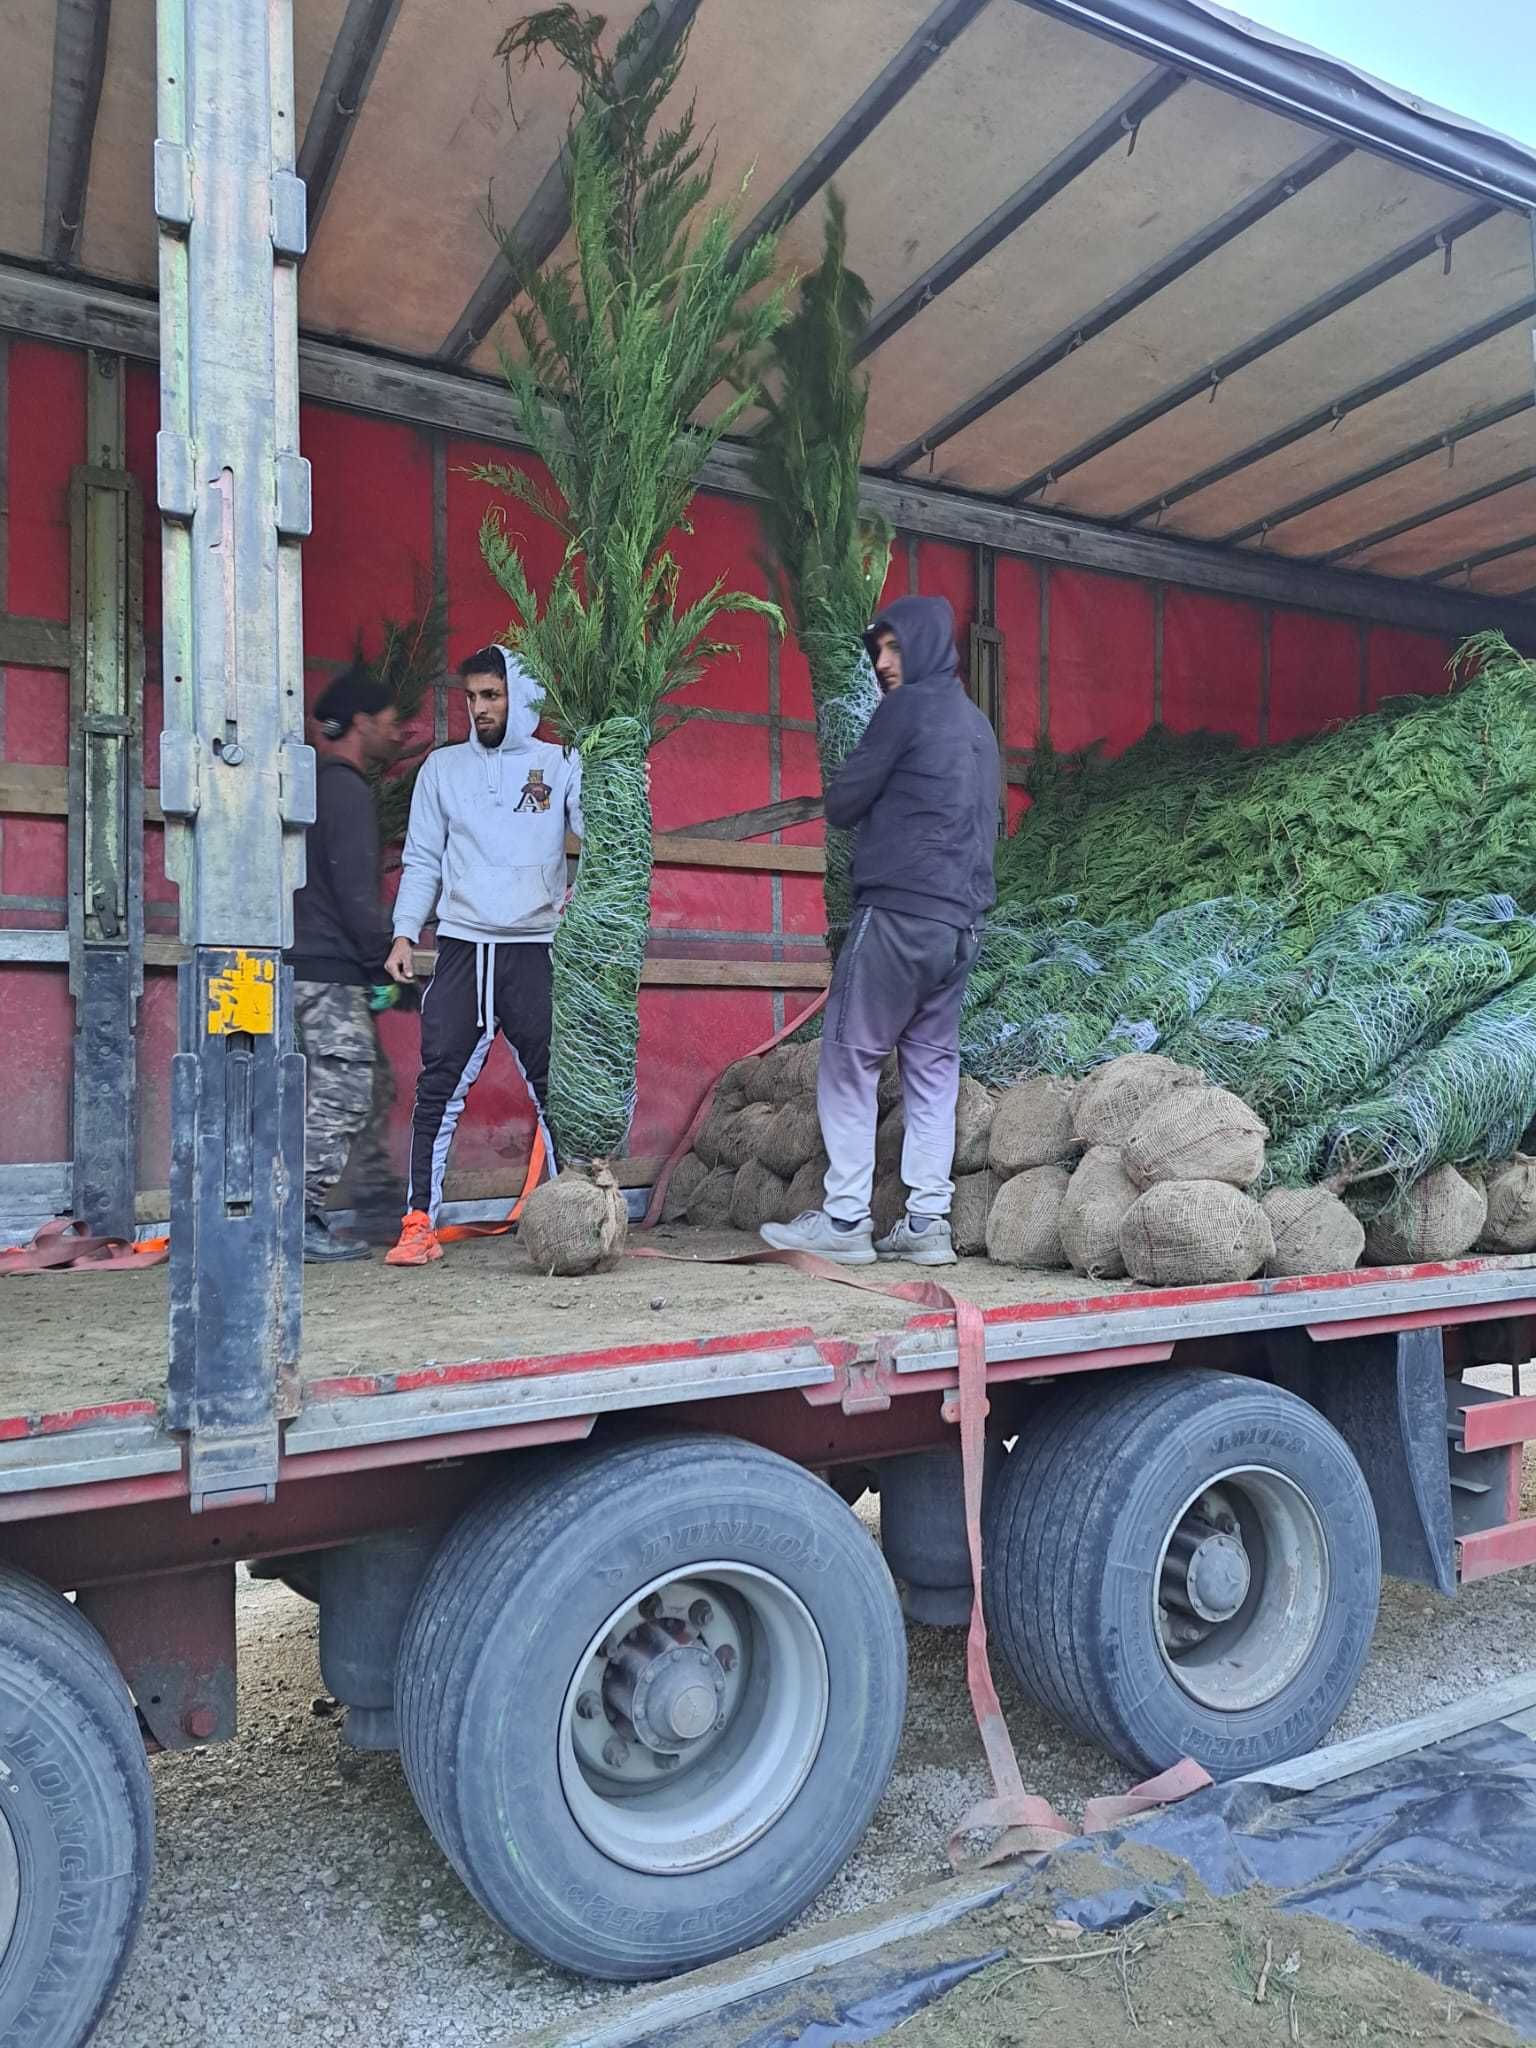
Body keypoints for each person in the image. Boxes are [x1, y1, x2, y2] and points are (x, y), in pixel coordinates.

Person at [761, 594, 1001, 1267]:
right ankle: (928, 1222)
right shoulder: (978, 727)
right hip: (961, 927)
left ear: (923, 645)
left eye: (894, 647)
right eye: (878, 650)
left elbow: (843, 802)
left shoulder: (905, 709)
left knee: (849, 1055)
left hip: (898, 913)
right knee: (931, 1069)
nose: (884, 661)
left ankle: (843, 1221)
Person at [383, 645, 583, 1266]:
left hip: (536, 951)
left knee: (557, 1092)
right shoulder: (443, 770)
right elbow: (421, 859)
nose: (479, 709)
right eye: (471, 697)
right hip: (463, 947)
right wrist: (404, 930)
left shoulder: (563, 762)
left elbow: (599, 838)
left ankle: (576, 1224)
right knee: (437, 1087)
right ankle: (419, 1223)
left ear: (520, 697)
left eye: (492, 695)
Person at [288, 666, 403, 1263]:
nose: (399, 735)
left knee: (355, 1085)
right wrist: (384, 962)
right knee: (342, 1090)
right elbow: (358, 894)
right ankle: (296, 1218)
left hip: (296, 965)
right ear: (361, 723)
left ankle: (362, 1205)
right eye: (390, 724)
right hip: (328, 970)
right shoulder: (346, 790)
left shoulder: (307, 786)